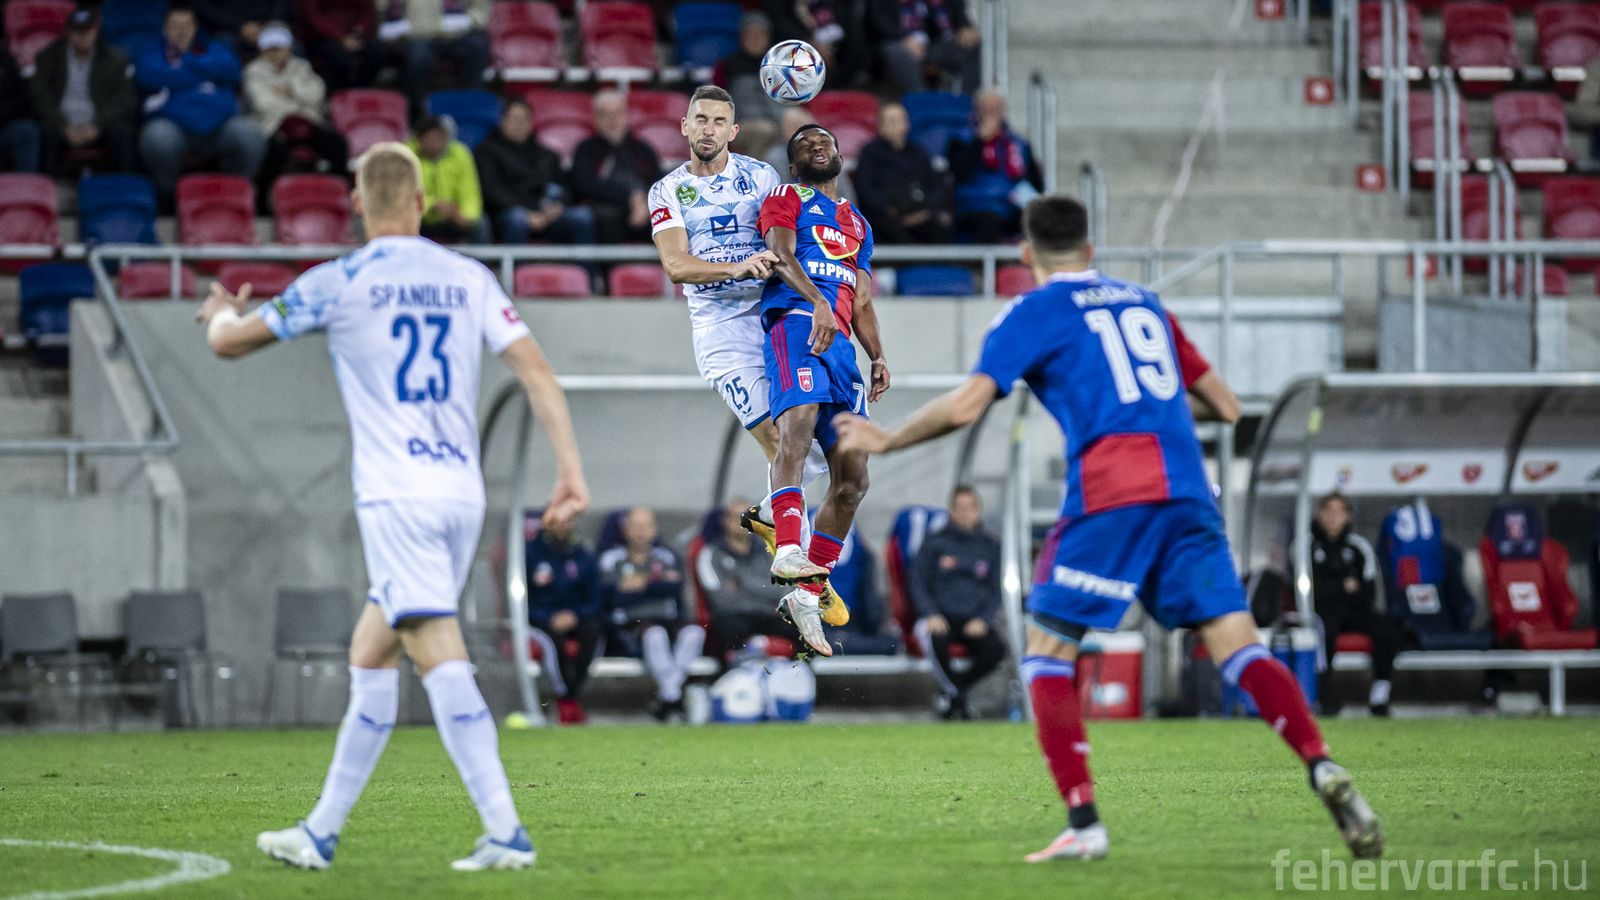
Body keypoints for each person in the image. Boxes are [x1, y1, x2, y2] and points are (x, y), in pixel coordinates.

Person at [833, 195, 1384, 864]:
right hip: (1187, 490)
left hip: (1112, 491)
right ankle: (1320, 762)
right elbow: (1227, 406)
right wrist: (1149, 409)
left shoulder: (1032, 311)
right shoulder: (1145, 303)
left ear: (1026, 255)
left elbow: (968, 405)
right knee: (1240, 645)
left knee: (1046, 653)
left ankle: (1084, 822)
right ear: (1091, 251)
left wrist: (887, 439)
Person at [197, 140, 589, 871]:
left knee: (437, 648)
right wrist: (570, 473)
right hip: (459, 492)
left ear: (356, 203)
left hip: (397, 494)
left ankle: (506, 831)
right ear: (420, 201)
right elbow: (539, 375)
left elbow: (230, 343)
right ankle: (319, 832)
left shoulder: (338, 279)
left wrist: (220, 312)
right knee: (372, 652)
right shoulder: (468, 277)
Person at [647, 84, 846, 629]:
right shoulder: (667, 190)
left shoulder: (760, 177)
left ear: (733, 131)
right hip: (721, 333)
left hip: (771, 319)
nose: (708, 129)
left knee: (822, 452)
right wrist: (734, 267)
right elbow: (676, 265)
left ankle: (770, 517)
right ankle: (807, 583)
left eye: (719, 121)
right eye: (700, 119)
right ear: (685, 126)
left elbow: (786, 234)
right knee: (782, 442)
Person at [757, 123, 890, 657]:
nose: (818, 145)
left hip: (841, 349)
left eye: (826, 142)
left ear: (839, 156)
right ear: (794, 166)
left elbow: (860, 298)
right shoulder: (786, 197)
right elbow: (780, 255)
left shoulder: (858, 222)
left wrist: (877, 354)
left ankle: (807, 593)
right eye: (805, 145)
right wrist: (816, 301)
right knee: (797, 428)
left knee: (854, 479)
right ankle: (788, 547)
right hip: (797, 323)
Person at [136, 4, 266, 205]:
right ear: (165, 28)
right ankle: (169, 197)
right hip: (175, 128)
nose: (181, 31)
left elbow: (232, 69)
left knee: (250, 133)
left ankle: (233, 193)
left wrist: (183, 65)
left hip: (219, 128)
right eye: (175, 26)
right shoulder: (152, 51)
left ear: (195, 28)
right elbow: (149, 75)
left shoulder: (215, 48)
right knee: (156, 137)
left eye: (186, 25)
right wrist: (206, 70)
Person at [599, 507, 706, 721]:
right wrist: (654, 582)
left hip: (668, 620)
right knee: (655, 634)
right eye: (636, 526)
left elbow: (672, 587)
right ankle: (674, 697)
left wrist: (636, 585)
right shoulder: (611, 559)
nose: (641, 532)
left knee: (695, 633)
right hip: (629, 625)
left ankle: (669, 696)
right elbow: (612, 596)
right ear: (625, 530)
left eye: (646, 526)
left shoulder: (667, 557)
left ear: (654, 530)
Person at [912, 486, 1005, 719]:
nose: (965, 513)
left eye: (970, 508)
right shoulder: (934, 543)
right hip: (940, 617)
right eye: (959, 508)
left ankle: (954, 694)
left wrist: (984, 619)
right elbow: (917, 583)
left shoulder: (991, 546)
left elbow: (998, 589)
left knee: (996, 650)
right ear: (951, 510)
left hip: (974, 619)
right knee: (934, 640)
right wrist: (931, 613)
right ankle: (959, 698)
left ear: (979, 511)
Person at [1309, 494, 1402, 717]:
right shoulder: (1305, 546)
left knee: (1387, 627)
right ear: (1318, 514)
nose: (1333, 517)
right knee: (1323, 630)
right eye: (1328, 511)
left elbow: (1367, 594)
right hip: (1320, 613)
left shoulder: (1359, 547)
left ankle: (1380, 696)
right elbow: (1310, 592)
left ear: (1348, 516)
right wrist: (1343, 586)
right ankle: (1325, 696)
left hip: (1353, 611)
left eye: (1339, 512)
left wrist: (1330, 587)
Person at [245, 23, 349, 208]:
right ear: (262, 50)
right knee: (274, 152)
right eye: (270, 49)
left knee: (337, 144)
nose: (275, 54)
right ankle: (262, 205)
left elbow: (317, 94)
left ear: (289, 48)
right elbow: (263, 104)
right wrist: (298, 100)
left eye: (279, 48)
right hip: (273, 125)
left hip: (307, 121)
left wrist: (291, 90)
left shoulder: (301, 66)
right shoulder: (254, 71)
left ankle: (339, 197)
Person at [30, 7, 140, 174]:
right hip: (60, 123)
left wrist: (97, 125)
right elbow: (39, 96)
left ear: (96, 31)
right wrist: (63, 125)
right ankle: (47, 185)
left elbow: (125, 99)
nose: (83, 36)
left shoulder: (115, 58)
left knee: (123, 132)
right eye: (77, 31)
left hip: (100, 122)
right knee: (46, 131)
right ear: (68, 32)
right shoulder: (48, 57)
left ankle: (124, 185)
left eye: (87, 31)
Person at [473, 97, 595, 246]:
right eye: (514, 119)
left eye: (524, 119)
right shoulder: (486, 151)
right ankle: (514, 262)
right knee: (517, 218)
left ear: (531, 122)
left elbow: (564, 188)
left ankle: (585, 263)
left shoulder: (548, 155)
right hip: (506, 214)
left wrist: (558, 206)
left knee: (583, 216)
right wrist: (528, 213)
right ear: (503, 121)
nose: (519, 124)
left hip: (548, 216)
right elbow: (492, 190)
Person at [525, 511, 604, 725]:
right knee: (553, 642)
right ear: (546, 522)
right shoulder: (529, 554)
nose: (561, 526)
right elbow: (520, 599)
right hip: (540, 619)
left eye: (566, 520)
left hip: (575, 616)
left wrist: (575, 615)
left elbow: (595, 600)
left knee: (592, 634)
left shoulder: (584, 556)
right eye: (555, 521)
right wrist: (548, 616)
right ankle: (565, 698)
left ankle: (571, 698)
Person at [697, 499, 798, 657]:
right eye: (737, 517)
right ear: (725, 521)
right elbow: (721, 600)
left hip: (766, 615)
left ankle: (803, 671)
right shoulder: (710, 554)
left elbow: (781, 591)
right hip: (733, 617)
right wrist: (763, 591)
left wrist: (742, 582)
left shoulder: (769, 552)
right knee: (731, 630)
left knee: (803, 630)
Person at [947, 90, 1043, 243]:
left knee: (1040, 219)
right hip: (974, 206)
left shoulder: (1019, 143)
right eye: (987, 108)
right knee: (991, 221)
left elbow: (1036, 184)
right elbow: (961, 173)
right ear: (977, 111)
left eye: (996, 108)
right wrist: (980, 141)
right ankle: (982, 260)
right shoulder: (960, 140)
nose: (992, 113)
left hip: (1011, 205)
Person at [570, 90, 663, 244]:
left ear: (626, 115)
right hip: (606, 212)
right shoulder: (586, 149)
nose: (613, 120)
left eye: (617, 113)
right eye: (605, 114)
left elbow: (660, 183)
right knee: (606, 216)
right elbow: (584, 185)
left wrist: (644, 201)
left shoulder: (643, 149)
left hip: (644, 209)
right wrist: (630, 197)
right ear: (595, 118)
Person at [854, 101, 950, 245]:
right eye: (891, 121)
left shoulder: (918, 152)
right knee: (893, 233)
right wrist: (889, 209)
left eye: (900, 120)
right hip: (885, 214)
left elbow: (933, 187)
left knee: (941, 231)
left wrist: (924, 212)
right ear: (880, 126)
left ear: (908, 124)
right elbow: (865, 189)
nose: (896, 126)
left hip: (919, 212)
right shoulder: (870, 152)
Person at [380, 0, 492, 119]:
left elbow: (480, 8)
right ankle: (418, 115)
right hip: (415, 34)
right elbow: (382, 8)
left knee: (477, 47)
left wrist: (470, 20)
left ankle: (472, 111)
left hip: (457, 31)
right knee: (419, 59)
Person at [865, 0, 980, 96]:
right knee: (899, 52)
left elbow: (958, 15)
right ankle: (921, 102)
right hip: (896, 42)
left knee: (971, 46)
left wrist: (965, 27)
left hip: (935, 42)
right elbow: (878, 21)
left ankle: (967, 105)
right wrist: (904, 38)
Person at [409, 115, 490, 244]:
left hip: (452, 219)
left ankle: (481, 259)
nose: (436, 143)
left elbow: (470, 192)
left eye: (439, 138)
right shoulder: (406, 157)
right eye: (431, 139)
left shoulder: (460, 153)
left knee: (481, 223)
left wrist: (466, 216)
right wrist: (432, 205)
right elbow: (403, 199)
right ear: (419, 140)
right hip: (419, 220)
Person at [712, 11, 783, 157]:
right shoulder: (727, 66)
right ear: (741, 38)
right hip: (740, 124)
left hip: (776, 120)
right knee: (765, 130)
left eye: (760, 35)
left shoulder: (779, 67)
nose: (755, 39)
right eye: (750, 34)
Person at [765, 107, 856, 202]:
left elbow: (845, 196)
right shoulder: (775, 157)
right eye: (790, 126)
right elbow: (778, 196)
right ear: (783, 130)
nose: (796, 130)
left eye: (800, 124)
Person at [303, 0, 387, 91]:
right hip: (323, 36)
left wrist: (360, 30)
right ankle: (342, 93)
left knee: (376, 53)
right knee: (338, 59)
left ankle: (363, 91)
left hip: (355, 35)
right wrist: (340, 37)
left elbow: (367, 11)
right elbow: (313, 16)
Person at [193, 0, 291, 55]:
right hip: (228, 27)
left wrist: (266, 25)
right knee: (224, 44)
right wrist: (240, 26)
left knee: (288, 44)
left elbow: (282, 4)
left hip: (267, 24)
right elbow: (204, 8)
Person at [1, 46, 37, 173]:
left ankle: (25, 183)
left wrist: (5, 113)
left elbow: (21, 100)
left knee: (27, 131)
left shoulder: (4, 59)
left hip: (3, 126)